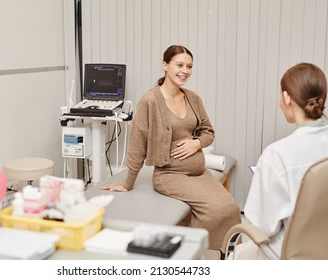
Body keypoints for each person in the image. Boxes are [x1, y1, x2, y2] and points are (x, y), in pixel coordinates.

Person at [99, 45, 241, 250]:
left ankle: (225, 256)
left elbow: (209, 132)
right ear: (165, 65)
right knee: (216, 210)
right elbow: (137, 144)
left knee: (231, 208)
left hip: (199, 173)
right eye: (180, 65)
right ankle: (194, 255)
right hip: (170, 175)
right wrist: (128, 182)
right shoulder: (150, 100)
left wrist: (196, 143)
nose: (185, 71)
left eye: (189, 66)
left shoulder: (193, 98)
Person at [233, 62, 328, 259]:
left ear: (286, 97)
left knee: (238, 253)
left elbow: (263, 226)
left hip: (289, 257)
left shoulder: (277, 154)